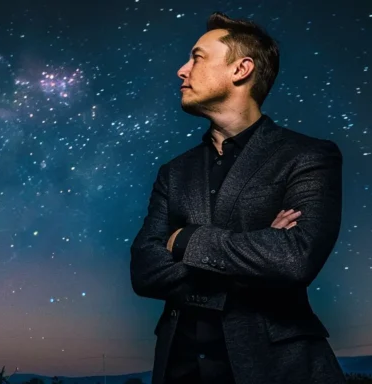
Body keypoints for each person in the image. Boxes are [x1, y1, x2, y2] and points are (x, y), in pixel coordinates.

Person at [129, 11, 346, 384]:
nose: (181, 70)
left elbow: (295, 258)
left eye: (196, 57)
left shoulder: (307, 155)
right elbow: (145, 271)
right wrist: (259, 250)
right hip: (180, 368)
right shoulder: (174, 172)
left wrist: (185, 239)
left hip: (277, 368)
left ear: (241, 69)